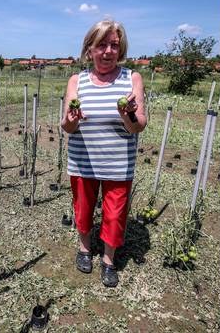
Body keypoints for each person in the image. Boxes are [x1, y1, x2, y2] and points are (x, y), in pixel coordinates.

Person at [61, 20, 147, 287]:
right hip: (83, 161)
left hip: (118, 163)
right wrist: (73, 118)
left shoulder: (132, 78)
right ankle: (85, 248)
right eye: (102, 45)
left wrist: (128, 114)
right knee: (83, 209)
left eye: (114, 45)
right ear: (90, 50)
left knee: (114, 214)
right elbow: (66, 126)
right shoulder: (77, 80)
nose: (108, 51)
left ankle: (108, 260)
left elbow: (139, 125)